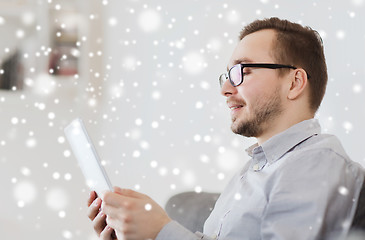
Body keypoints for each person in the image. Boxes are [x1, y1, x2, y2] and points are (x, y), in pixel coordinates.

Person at [87, 17, 364, 240]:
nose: (225, 89)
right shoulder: (254, 170)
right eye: (227, 75)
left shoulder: (317, 162)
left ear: (294, 82)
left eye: (242, 71)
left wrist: (161, 231)